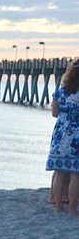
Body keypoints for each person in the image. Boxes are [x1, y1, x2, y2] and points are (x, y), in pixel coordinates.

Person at [46, 58, 79, 215]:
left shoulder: (60, 92)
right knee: (75, 174)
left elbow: (54, 113)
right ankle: (73, 208)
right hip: (77, 135)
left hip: (61, 134)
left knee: (59, 172)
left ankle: (58, 205)